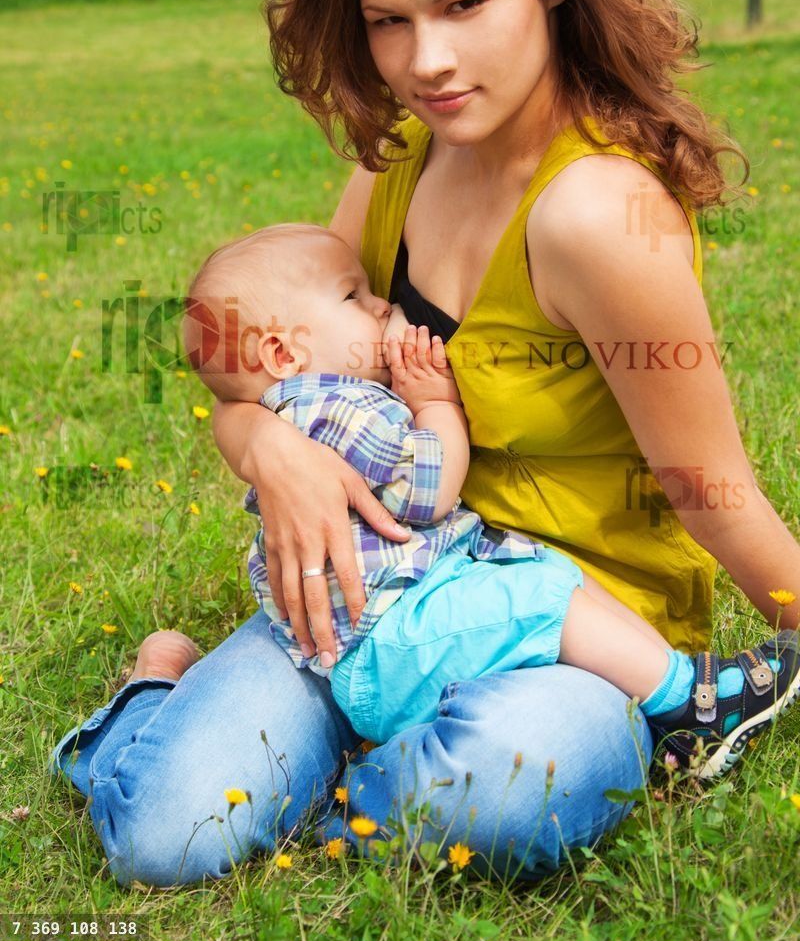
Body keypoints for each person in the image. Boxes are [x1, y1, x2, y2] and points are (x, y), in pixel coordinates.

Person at [49, 0, 800, 889]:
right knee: (162, 836)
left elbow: (705, 486)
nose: (426, 61)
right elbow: (258, 376)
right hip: (370, 606)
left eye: (462, 4)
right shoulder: (399, 154)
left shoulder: (593, 214)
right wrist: (268, 452)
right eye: (387, 21)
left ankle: (332, 784)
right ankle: (181, 705)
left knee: (506, 781)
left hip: (564, 632)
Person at [184, 220, 800, 774]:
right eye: (354, 296)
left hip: (396, 628)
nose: (381, 306)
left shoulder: (312, 402)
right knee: (541, 599)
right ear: (283, 354)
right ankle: (693, 704)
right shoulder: (330, 408)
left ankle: (678, 702)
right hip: (389, 640)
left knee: (552, 580)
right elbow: (427, 490)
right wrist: (435, 404)